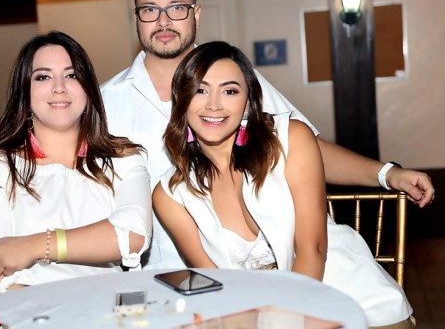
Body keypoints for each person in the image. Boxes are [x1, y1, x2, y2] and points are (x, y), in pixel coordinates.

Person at [99, 0, 435, 269]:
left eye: (176, 8)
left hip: (281, 261)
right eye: (150, 9)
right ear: (136, 17)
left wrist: (386, 174)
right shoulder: (104, 104)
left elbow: (299, 146)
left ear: (196, 14)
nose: (163, 21)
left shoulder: (238, 80)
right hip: (160, 274)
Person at [152, 40, 415, 328]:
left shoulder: (291, 139)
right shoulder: (171, 195)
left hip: (351, 299)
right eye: (200, 90)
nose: (213, 105)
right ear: (181, 100)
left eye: (230, 91)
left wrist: (284, 321)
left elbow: (313, 249)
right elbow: (215, 284)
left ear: (248, 102)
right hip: (257, 317)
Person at [0, 31, 152, 300]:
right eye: (43, 77)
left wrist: (35, 245)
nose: (59, 87)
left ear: (88, 88)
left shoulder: (123, 159)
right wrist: (67, 312)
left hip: (105, 309)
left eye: (71, 75)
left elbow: (133, 235)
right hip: (23, 314)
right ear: (24, 92)